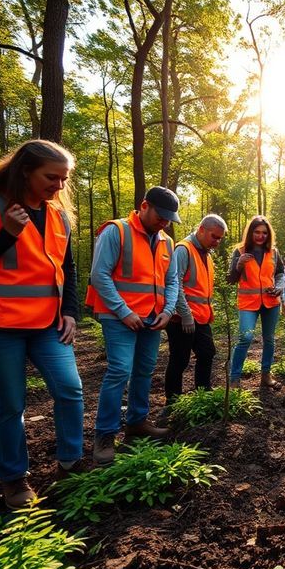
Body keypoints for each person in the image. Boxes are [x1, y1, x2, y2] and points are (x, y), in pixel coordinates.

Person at [0, 140, 83, 508]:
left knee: (70, 390)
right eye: (52, 177)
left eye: (64, 179)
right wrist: (7, 235)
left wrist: (70, 311)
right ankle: (14, 479)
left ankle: (69, 464)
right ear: (25, 171)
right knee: (10, 404)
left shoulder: (57, 216)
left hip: (48, 325)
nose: (59, 187)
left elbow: (67, 267)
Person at [86, 186, 180, 465]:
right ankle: (104, 434)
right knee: (119, 371)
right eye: (160, 216)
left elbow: (172, 280)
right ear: (143, 206)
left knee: (144, 371)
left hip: (153, 317)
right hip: (119, 317)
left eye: (168, 218)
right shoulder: (116, 231)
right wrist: (123, 311)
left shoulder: (166, 242)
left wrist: (168, 310)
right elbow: (99, 275)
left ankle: (137, 422)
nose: (164, 222)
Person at [164, 214, 227, 404]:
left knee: (207, 353)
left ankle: (203, 394)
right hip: (182, 318)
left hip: (201, 317)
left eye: (219, 238)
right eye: (214, 236)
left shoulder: (206, 253)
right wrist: (185, 315)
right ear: (201, 229)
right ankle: (173, 401)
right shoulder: (183, 250)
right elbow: (175, 285)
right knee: (180, 359)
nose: (216, 242)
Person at [227, 215, 285, 390]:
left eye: (264, 233)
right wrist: (238, 265)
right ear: (250, 232)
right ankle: (235, 379)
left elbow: (281, 273)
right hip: (248, 302)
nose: (261, 236)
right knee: (245, 338)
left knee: (269, 340)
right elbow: (230, 279)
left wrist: (280, 287)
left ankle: (266, 375)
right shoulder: (239, 251)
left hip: (270, 301)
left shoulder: (274, 252)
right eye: (257, 232)